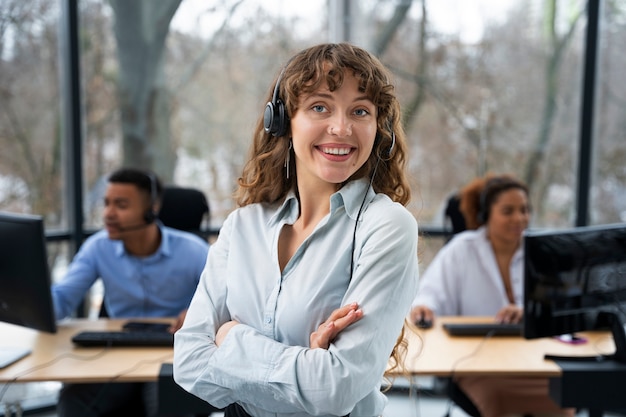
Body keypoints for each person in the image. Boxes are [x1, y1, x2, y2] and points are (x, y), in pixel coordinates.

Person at [173, 42, 419, 417]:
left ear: (378, 128)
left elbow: (336, 390)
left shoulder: (386, 226)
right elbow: (189, 362)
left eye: (360, 111)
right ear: (283, 121)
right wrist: (306, 363)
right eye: (320, 107)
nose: (341, 127)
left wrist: (231, 339)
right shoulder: (243, 226)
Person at [410, 174, 575, 417]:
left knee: (560, 399)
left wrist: (529, 312)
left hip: (533, 360)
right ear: (485, 216)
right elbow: (430, 295)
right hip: (477, 360)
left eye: (524, 210)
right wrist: (424, 307)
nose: (519, 218)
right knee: (499, 400)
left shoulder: (541, 254)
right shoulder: (462, 249)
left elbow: (563, 304)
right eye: (508, 211)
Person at [52, 167, 210, 417]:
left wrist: (199, 312)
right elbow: (61, 302)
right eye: (106, 204)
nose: (108, 215)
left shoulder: (193, 251)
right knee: (73, 400)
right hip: (117, 352)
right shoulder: (97, 248)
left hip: (172, 350)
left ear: (152, 209)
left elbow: (226, 300)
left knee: (166, 402)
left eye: (121, 205)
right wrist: (25, 295)